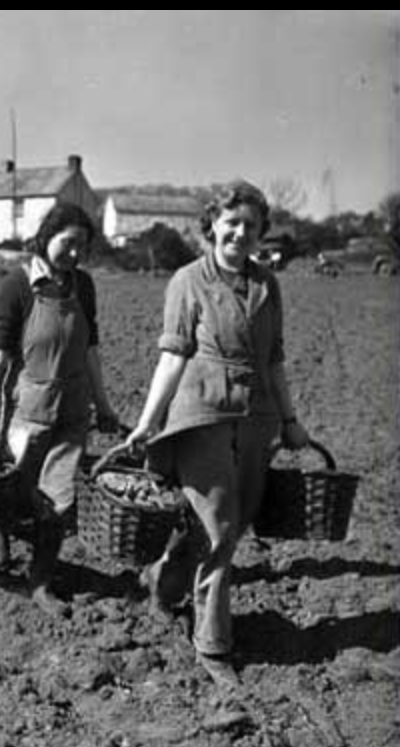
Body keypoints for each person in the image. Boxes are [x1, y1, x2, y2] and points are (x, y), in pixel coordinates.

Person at [122, 180, 310, 687]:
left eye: (250, 225)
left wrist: (291, 420)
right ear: (212, 227)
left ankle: (163, 581)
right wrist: (147, 420)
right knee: (222, 528)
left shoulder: (269, 284)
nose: (240, 232)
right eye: (231, 223)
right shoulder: (188, 280)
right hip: (200, 412)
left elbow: (274, 360)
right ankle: (213, 644)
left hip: (257, 417)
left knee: (224, 524)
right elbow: (172, 355)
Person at [0, 203, 119, 618]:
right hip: (26, 412)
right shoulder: (17, 285)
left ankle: (41, 582)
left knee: (58, 503)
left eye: (82, 246)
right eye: (68, 243)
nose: (74, 253)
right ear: (46, 236)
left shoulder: (83, 286)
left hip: (72, 412)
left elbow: (89, 350)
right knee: (10, 492)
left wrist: (102, 406)